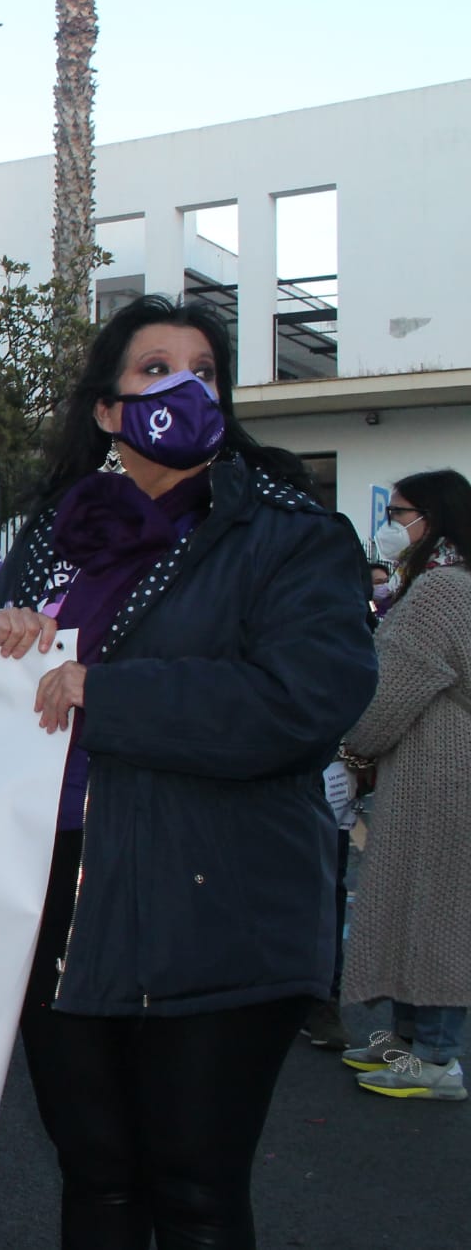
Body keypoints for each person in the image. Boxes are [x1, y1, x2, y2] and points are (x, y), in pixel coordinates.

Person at [0, 295, 376, 1248]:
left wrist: (106, 693)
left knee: (195, 1189)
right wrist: (0, 642)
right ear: (109, 411)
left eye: (202, 368)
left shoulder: (288, 532)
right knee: (98, 1179)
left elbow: (304, 700)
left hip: (217, 900)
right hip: (61, 896)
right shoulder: (48, 539)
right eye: (154, 368)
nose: (183, 384)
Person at [339, 468, 471, 1101]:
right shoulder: (451, 580)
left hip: (442, 775)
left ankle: (438, 1058)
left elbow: (395, 685)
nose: (391, 526)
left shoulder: (443, 588)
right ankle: (409, 1042)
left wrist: (354, 743)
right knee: (417, 904)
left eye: (399, 513)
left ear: (433, 516)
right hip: (436, 770)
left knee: (436, 912)